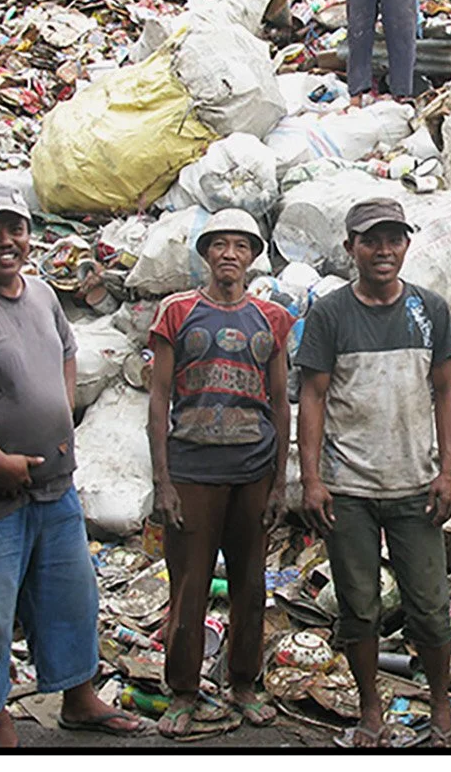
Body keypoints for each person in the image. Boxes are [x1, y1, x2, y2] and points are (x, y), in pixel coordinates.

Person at [0, 185, 144, 746]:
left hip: (53, 486)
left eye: (15, 229)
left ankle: (79, 698)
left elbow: (66, 350)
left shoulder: (40, 293)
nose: (5, 242)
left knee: (71, 596)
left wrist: (60, 414)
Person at [296, 198, 451, 748]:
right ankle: (371, 712)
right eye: (371, 241)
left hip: (416, 484)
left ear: (407, 245)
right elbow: (312, 398)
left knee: (431, 610)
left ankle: (441, 709)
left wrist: (448, 473)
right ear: (351, 249)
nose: (383, 251)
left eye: (393, 239)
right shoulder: (329, 314)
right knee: (358, 610)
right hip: (350, 490)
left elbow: (445, 391)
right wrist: (312, 480)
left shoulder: (430, 309)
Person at [146, 208, 293, 736]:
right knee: (189, 585)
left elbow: (280, 402)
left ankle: (243, 684)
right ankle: (182, 691)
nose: (230, 254)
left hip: (252, 468)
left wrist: (280, 481)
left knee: (251, 585)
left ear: (253, 257)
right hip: (192, 470)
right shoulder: (177, 311)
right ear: (206, 253)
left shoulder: (272, 318)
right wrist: (162, 481)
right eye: (220, 245)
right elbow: (160, 398)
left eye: (241, 246)